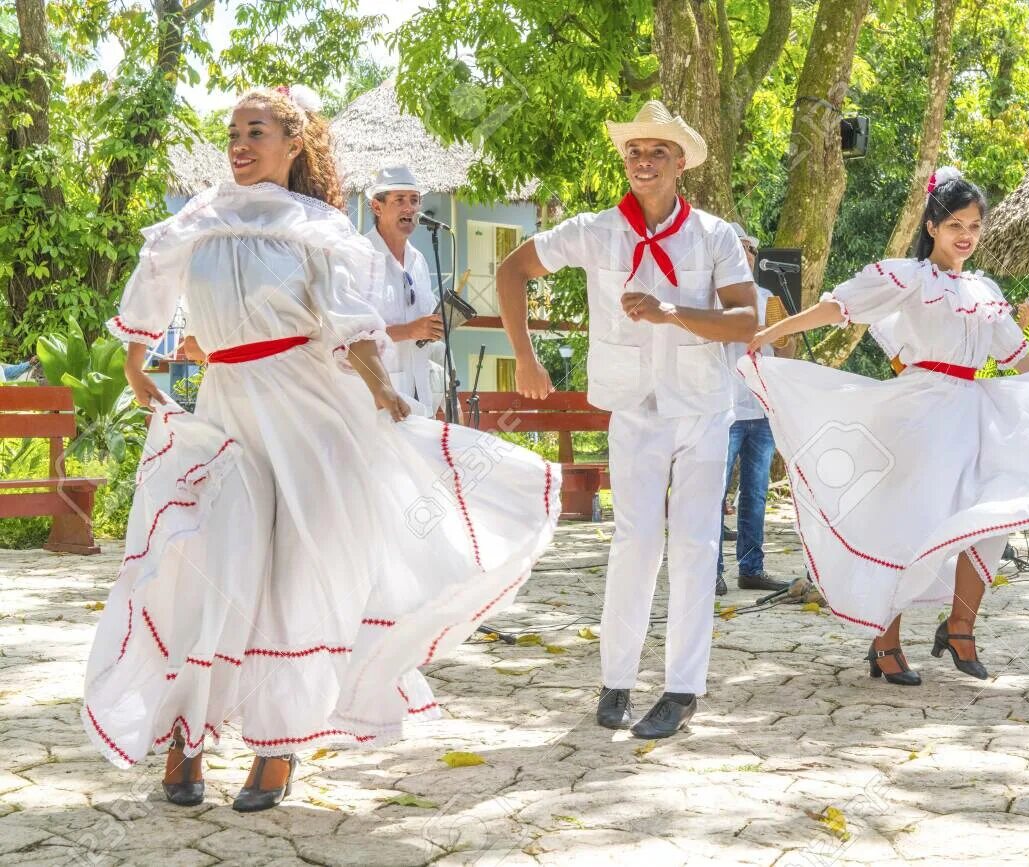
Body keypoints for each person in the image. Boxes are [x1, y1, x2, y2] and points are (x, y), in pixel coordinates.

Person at [83, 85, 559, 812]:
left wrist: (381, 388)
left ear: (293, 144)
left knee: (295, 576)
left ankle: (277, 748)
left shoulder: (318, 228)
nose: (240, 143)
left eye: (257, 130)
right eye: (234, 130)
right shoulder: (201, 219)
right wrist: (135, 362)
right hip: (225, 408)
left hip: (307, 411)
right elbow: (154, 277)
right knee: (207, 562)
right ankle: (187, 734)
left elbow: (347, 325)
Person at [743, 167, 1029, 685]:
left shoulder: (983, 288)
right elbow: (839, 308)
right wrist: (775, 330)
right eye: (955, 224)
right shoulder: (909, 277)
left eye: (975, 226)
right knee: (902, 523)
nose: (966, 235)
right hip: (919, 411)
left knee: (990, 520)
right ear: (933, 227)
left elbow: (1014, 356)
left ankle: (961, 627)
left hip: (974, 412)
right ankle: (885, 643)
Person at [494, 100, 757, 738]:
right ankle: (616, 680)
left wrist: (673, 313)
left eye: (657, 152)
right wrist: (525, 358)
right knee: (634, 542)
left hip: (701, 408)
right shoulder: (594, 229)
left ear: (679, 165)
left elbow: (747, 322)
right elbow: (511, 270)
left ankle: (682, 687)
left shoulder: (715, 236)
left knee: (695, 546)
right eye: (635, 151)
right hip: (634, 409)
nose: (643, 161)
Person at [716, 222, 794, 595]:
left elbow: (785, 351)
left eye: (746, 248)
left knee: (756, 492)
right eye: (734, 248)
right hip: (723, 408)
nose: (742, 255)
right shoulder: (709, 301)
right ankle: (709, 569)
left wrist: (784, 333)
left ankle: (751, 567)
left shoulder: (770, 298)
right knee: (712, 491)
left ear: (754, 255)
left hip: (760, 410)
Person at [363, 165, 448, 417]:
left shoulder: (419, 260)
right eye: (399, 200)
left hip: (421, 396)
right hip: (377, 401)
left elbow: (425, 321)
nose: (409, 208)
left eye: (414, 200)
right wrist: (411, 330)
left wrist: (435, 327)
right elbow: (352, 337)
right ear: (377, 207)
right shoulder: (360, 255)